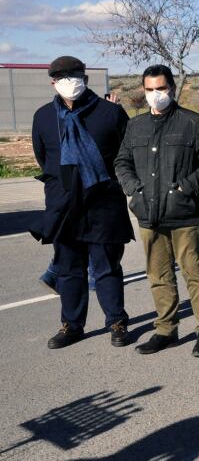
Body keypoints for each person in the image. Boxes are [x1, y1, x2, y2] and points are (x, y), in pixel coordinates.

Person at [115, 64, 199, 357]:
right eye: (150, 90)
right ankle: (166, 329)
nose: (156, 95)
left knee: (195, 272)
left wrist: (186, 187)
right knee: (158, 275)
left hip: (184, 215)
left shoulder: (193, 123)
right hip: (148, 214)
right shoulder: (135, 126)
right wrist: (134, 190)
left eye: (161, 89)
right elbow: (122, 162)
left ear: (173, 89)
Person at [30, 56, 132, 348]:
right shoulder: (43, 116)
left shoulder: (110, 113)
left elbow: (125, 155)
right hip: (62, 204)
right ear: (52, 81)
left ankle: (116, 322)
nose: (68, 81)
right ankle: (71, 325)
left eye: (73, 75)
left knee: (107, 267)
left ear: (85, 78)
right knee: (68, 269)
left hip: (103, 203)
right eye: (61, 77)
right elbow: (43, 156)